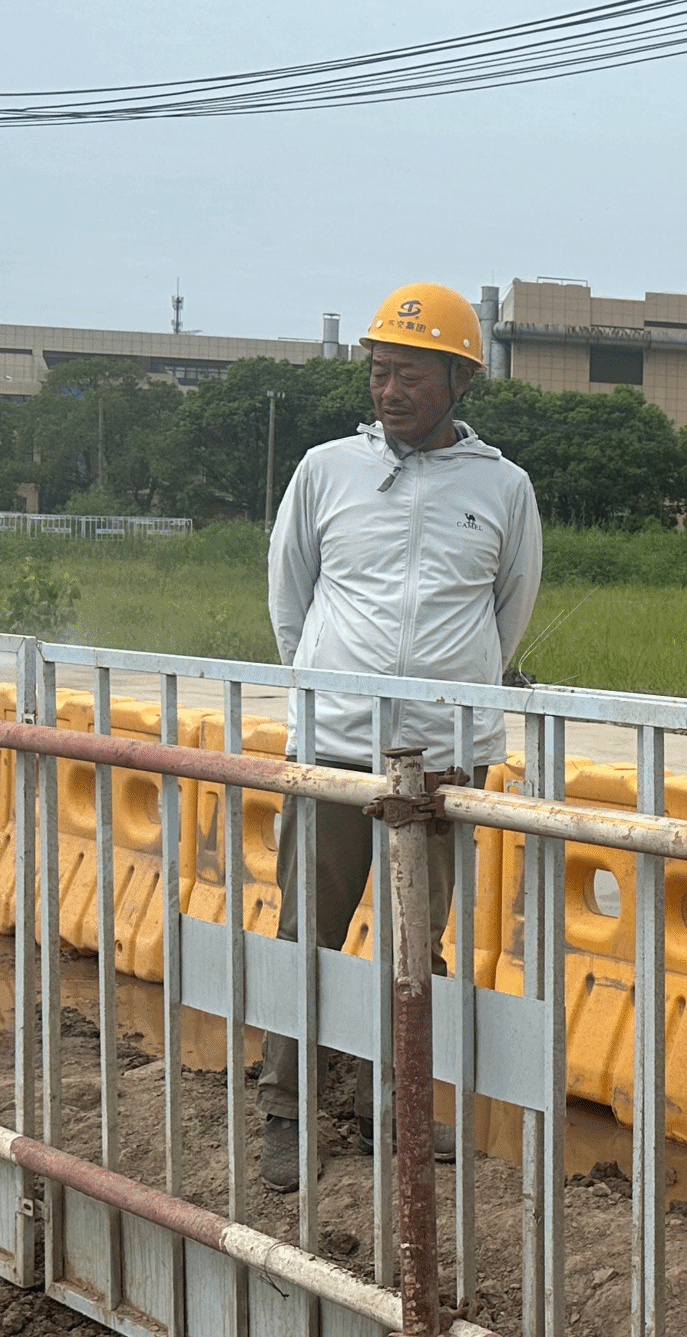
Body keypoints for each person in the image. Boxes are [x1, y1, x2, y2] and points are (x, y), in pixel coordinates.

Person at [260, 282, 542, 1192]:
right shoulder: (325, 470)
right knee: (307, 930)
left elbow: (507, 616)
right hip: (334, 750)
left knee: (417, 942)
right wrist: (323, 695)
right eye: (380, 372)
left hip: (441, 757)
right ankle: (286, 1112)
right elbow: (290, 596)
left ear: (461, 380)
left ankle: (398, 1105)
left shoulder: (503, 487)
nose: (389, 391)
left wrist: (454, 700)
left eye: (410, 376)